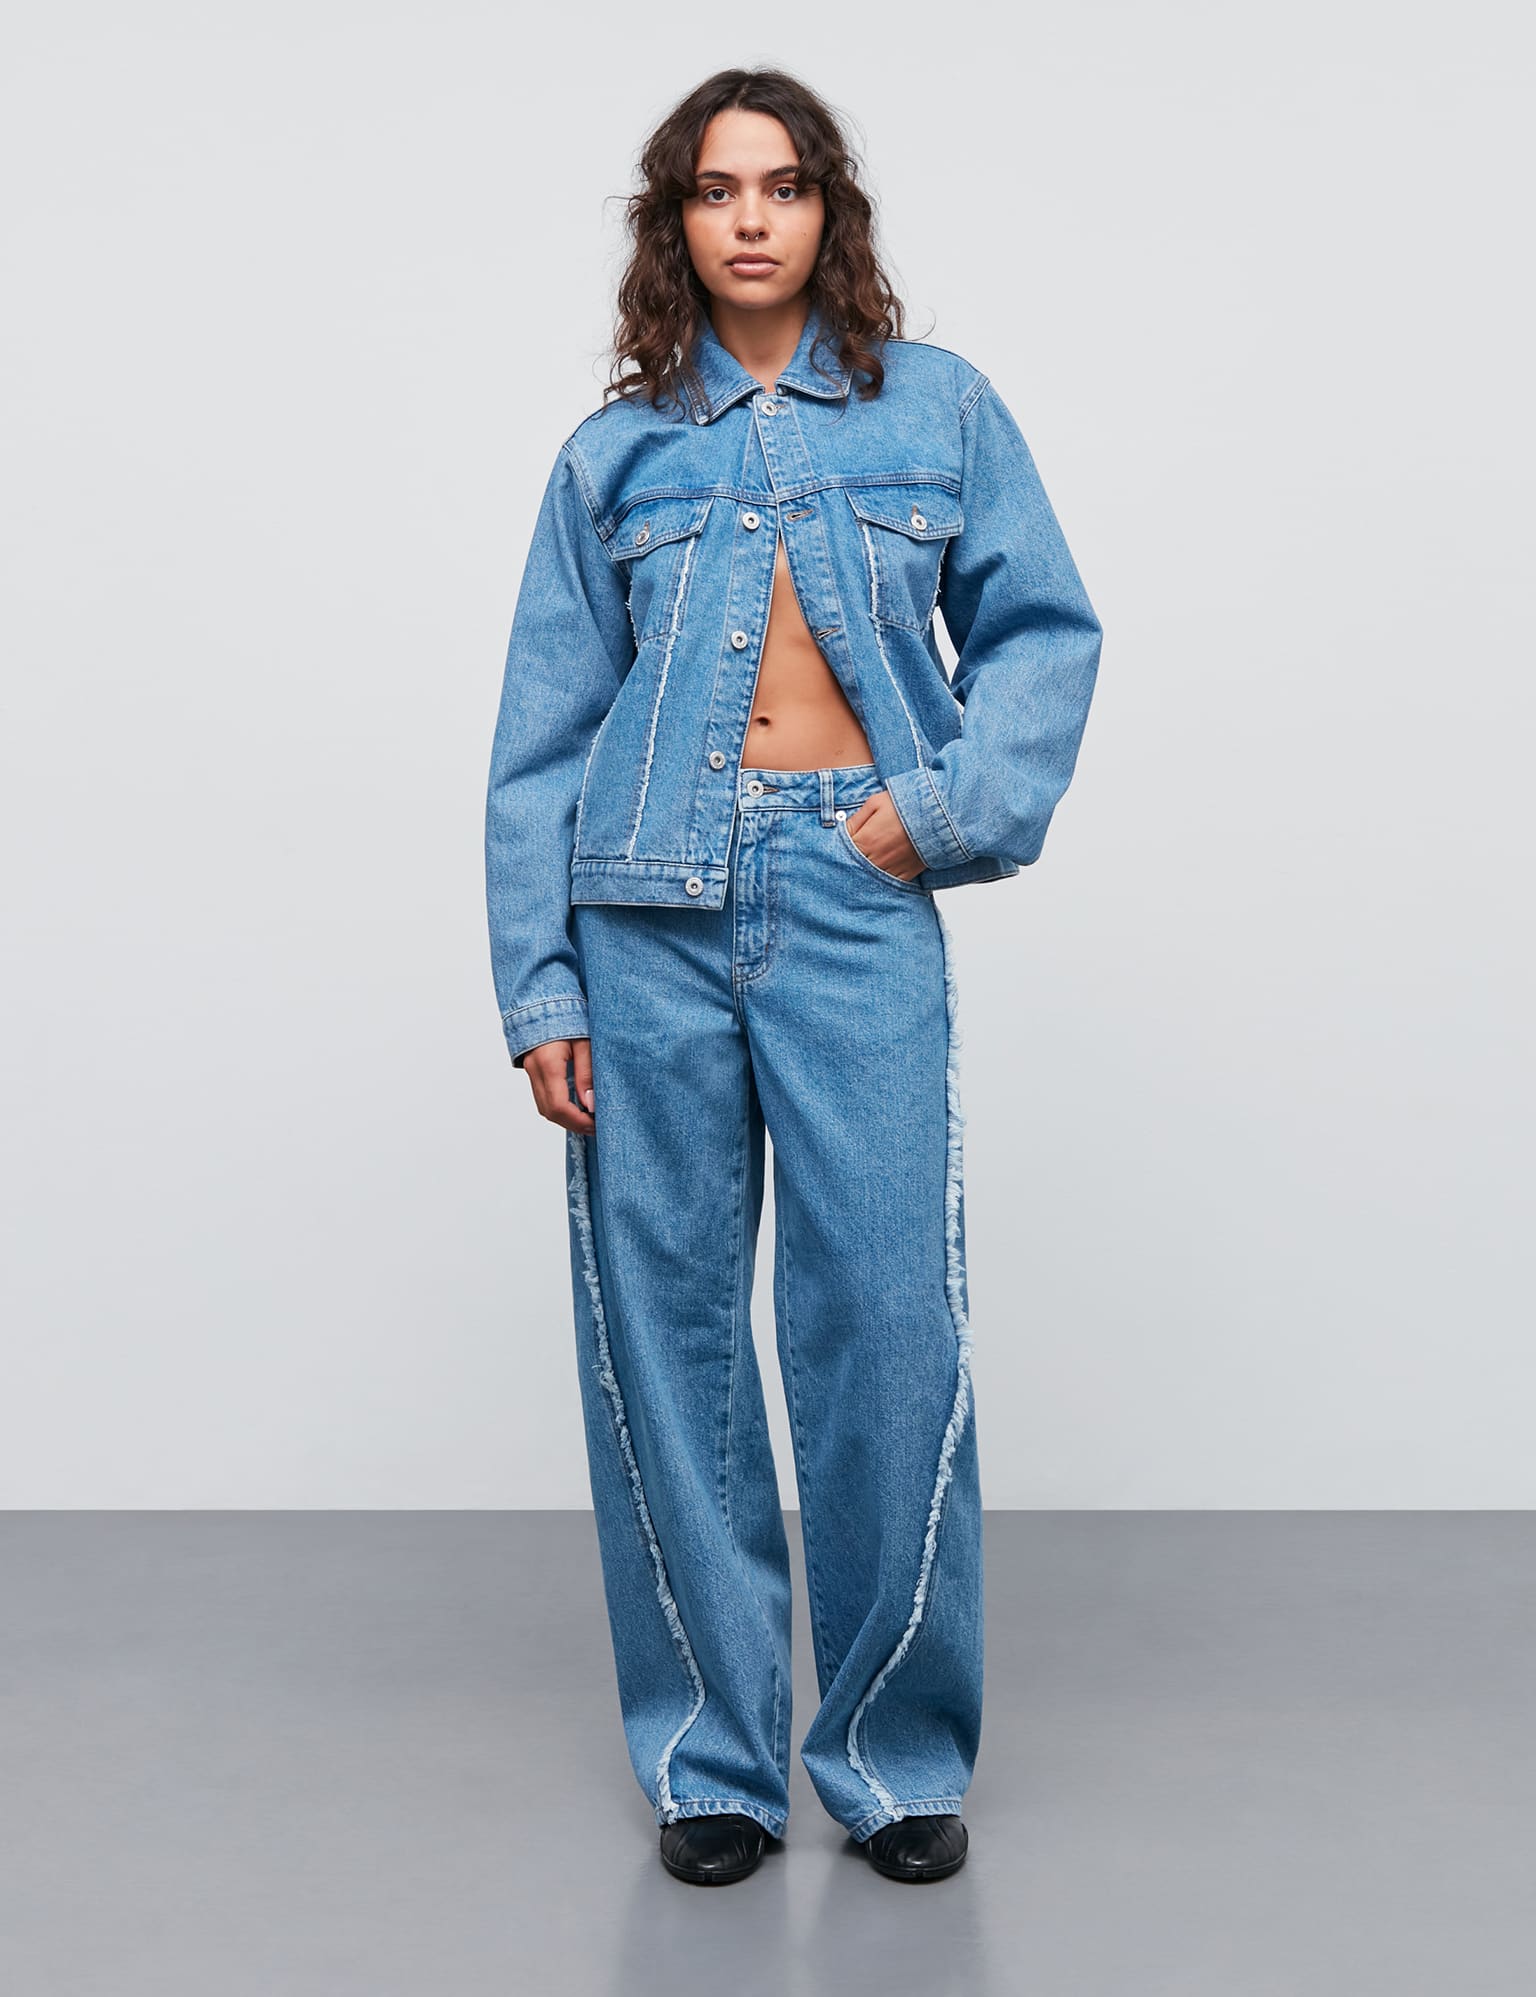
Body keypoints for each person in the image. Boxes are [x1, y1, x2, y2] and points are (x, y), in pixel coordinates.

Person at [484, 66, 1102, 1887]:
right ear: (674, 225)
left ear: (830, 211)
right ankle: (712, 1761)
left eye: (782, 185)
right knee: (666, 1337)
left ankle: (894, 1754)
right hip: (642, 914)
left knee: (888, 1326)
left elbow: (1044, 632)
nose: (749, 217)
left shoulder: (940, 409)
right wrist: (545, 986)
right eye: (713, 189)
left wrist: (940, 812)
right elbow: (539, 742)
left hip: (850, 889)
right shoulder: (611, 457)